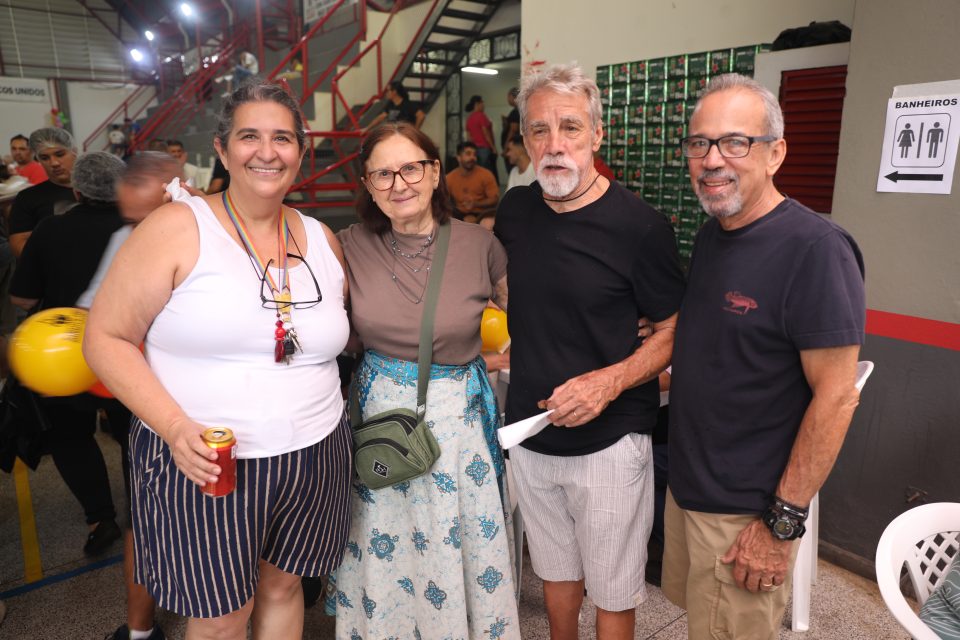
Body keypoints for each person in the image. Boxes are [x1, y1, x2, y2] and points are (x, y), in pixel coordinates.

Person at [83, 81, 353, 640]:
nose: (267, 151)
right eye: (249, 136)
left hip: (315, 451)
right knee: (222, 614)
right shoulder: (178, 228)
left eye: (283, 138)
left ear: (301, 151)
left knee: (283, 589)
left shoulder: (322, 238)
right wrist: (175, 427)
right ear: (224, 149)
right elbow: (104, 337)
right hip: (207, 459)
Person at [662, 73, 866, 640]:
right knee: (704, 622)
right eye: (699, 143)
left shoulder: (817, 251)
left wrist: (780, 524)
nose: (711, 159)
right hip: (692, 489)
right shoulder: (713, 234)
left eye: (735, 142)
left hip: (747, 509)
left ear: (775, 152)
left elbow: (836, 397)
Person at [494, 62, 685, 639]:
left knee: (612, 586)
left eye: (570, 128)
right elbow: (513, 293)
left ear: (597, 136)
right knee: (553, 573)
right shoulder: (515, 211)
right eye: (539, 130)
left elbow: (676, 329)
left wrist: (609, 381)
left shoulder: (640, 227)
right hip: (530, 427)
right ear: (524, 140)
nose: (555, 145)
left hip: (610, 437)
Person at [333, 122, 518, 639]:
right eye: (383, 174)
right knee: (385, 543)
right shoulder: (347, 246)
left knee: (450, 542)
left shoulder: (481, 246)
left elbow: (528, 319)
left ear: (435, 172)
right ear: (368, 185)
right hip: (380, 427)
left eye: (410, 168)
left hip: (456, 431)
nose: (399, 184)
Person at [75, 152, 183, 640]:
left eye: (150, 216)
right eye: (134, 219)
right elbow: (95, 321)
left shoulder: (216, 230)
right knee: (145, 516)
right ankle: (139, 631)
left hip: (225, 412)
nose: (142, 229)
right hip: (153, 410)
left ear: (177, 191)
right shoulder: (126, 239)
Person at [9, 151, 129, 556]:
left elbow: (22, 298)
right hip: (131, 350)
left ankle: (100, 517)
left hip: (63, 353)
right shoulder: (144, 229)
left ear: (77, 189)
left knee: (69, 436)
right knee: (136, 435)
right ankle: (145, 515)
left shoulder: (50, 230)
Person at [8, 128, 78, 256]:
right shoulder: (27, 198)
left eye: (60, 154)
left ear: (74, 152)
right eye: (45, 158)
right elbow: (18, 243)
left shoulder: (97, 190)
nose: (54, 163)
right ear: (38, 160)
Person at [445, 141, 499, 228]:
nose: (472, 158)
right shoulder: (449, 178)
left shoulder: (486, 174)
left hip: (482, 214)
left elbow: (494, 199)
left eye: (474, 154)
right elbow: (443, 201)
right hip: (459, 214)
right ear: (458, 157)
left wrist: (475, 204)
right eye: (468, 154)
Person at [465, 94, 499, 182]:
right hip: (484, 149)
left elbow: (469, 138)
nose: (483, 105)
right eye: (482, 103)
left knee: (477, 172)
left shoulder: (469, 118)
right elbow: (486, 134)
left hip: (475, 150)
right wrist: (493, 148)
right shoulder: (481, 116)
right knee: (487, 172)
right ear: (477, 104)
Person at [500, 87, 520, 174]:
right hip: (514, 146)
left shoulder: (516, 112)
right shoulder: (519, 111)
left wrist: (506, 148)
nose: (507, 99)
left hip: (512, 147)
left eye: (508, 96)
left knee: (513, 171)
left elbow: (513, 130)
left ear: (513, 96)